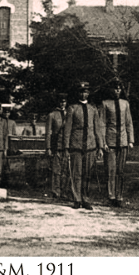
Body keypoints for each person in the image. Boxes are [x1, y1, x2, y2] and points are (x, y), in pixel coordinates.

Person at [62, 81, 103, 210]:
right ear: (78, 93)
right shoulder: (72, 108)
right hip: (76, 145)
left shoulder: (93, 109)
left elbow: (97, 128)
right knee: (76, 173)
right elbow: (67, 129)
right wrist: (66, 147)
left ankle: (85, 199)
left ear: (89, 93)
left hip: (90, 145)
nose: (83, 94)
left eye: (85, 91)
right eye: (81, 91)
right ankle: (77, 199)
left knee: (87, 174)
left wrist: (100, 146)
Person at [101, 82, 135, 208]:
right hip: (110, 141)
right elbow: (102, 124)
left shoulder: (125, 104)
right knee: (110, 170)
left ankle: (119, 197)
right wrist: (103, 142)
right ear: (111, 90)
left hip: (123, 141)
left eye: (119, 88)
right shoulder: (105, 104)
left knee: (120, 171)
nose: (117, 91)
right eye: (115, 88)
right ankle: (111, 196)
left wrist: (130, 140)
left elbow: (129, 122)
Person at [45, 93, 67, 200]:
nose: (62, 104)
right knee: (56, 171)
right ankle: (56, 192)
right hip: (56, 146)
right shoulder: (52, 115)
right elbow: (48, 132)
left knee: (65, 170)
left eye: (64, 102)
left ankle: (64, 192)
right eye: (61, 101)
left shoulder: (69, 114)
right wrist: (48, 147)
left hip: (66, 146)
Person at [0, 107, 17, 187]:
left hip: (4, 146)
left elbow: (8, 135)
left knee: (5, 165)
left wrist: (6, 147)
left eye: (8, 112)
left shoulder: (8, 122)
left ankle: (4, 182)